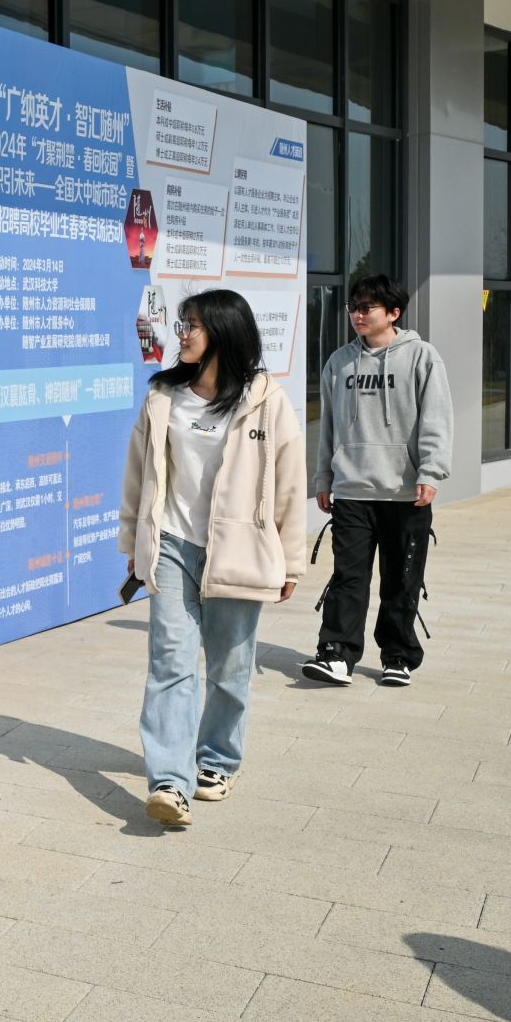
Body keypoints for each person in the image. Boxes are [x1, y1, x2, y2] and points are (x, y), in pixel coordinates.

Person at [120, 289, 306, 828]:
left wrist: (291, 560)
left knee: (229, 668)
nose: (181, 334)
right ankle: (169, 783)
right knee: (170, 662)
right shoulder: (163, 395)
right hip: (173, 545)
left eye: (192, 326)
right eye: (182, 325)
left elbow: (289, 483)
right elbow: (139, 473)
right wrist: (134, 543)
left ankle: (218, 761)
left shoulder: (267, 400)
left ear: (223, 332)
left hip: (240, 549)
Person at [301, 274, 453, 688]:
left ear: (394, 313)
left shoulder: (422, 357)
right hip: (352, 490)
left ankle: (398, 656)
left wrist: (431, 471)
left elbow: (437, 419)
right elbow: (328, 426)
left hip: (405, 493)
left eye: (367, 307)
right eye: (353, 307)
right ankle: (336, 654)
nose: (357, 314)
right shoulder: (339, 362)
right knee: (347, 578)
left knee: (401, 580)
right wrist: (323, 477)